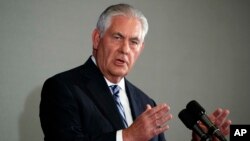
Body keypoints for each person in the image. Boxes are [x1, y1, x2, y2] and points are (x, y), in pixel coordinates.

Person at [39, 3, 231, 141]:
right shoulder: (62, 88)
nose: (125, 49)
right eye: (117, 37)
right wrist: (127, 137)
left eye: (134, 42)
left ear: (141, 49)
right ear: (97, 38)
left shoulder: (146, 103)